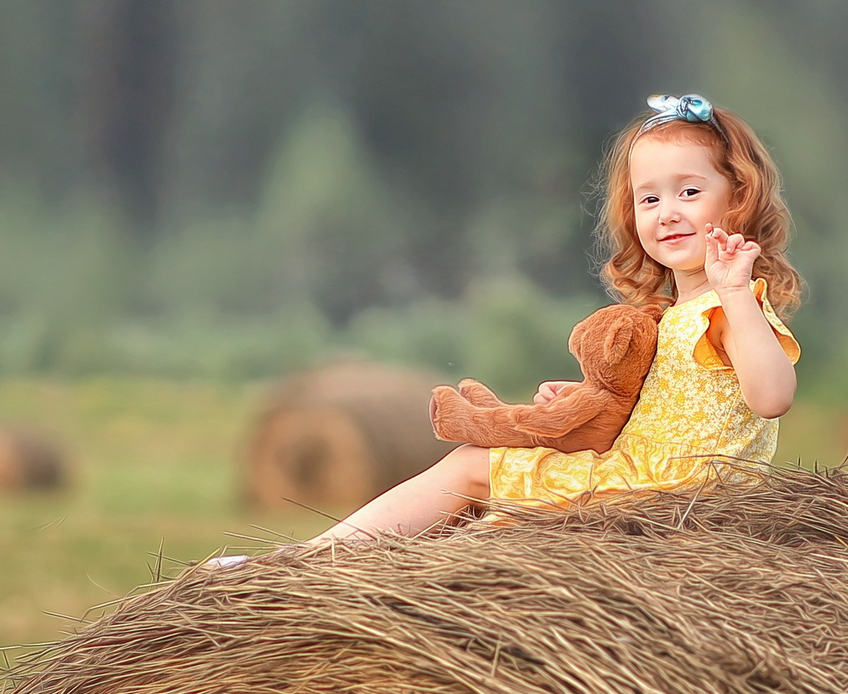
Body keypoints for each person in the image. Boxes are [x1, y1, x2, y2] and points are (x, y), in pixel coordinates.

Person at [289, 93, 802, 552]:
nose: (667, 212)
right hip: (645, 483)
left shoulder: (732, 305)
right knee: (492, 532)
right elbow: (669, 414)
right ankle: (349, 580)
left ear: (738, 197)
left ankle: (299, 563)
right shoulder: (673, 316)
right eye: (650, 198)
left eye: (689, 192)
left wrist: (735, 292)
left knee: (473, 464)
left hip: (673, 497)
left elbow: (772, 397)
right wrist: (585, 402)